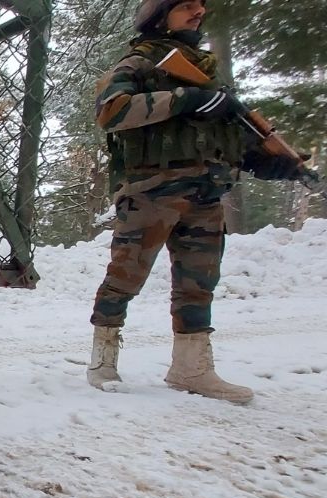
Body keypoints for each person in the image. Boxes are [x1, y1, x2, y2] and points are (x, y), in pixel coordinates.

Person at [85, 0, 303, 403]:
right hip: (151, 190)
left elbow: (231, 138)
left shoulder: (209, 73)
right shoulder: (141, 63)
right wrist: (183, 100)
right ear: (158, 15)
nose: (198, 12)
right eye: (186, 6)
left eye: (201, 6)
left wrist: (272, 165)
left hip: (205, 190)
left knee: (199, 284)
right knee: (125, 276)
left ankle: (191, 368)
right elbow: (110, 110)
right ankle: (103, 361)